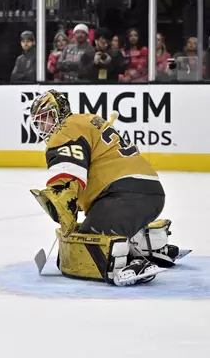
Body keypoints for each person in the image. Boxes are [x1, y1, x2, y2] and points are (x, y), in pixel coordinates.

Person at [28, 90, 188, 287]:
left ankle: (133, 262)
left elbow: (67, 183)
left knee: (87, 242)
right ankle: (154, 245)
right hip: (145, 192)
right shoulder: (87, 120)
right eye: (39, 122)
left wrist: (64, 216)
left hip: (125, 195)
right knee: (97, 227)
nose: (43, 126)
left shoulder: (65, 130)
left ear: (60, 113)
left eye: (47, 118)